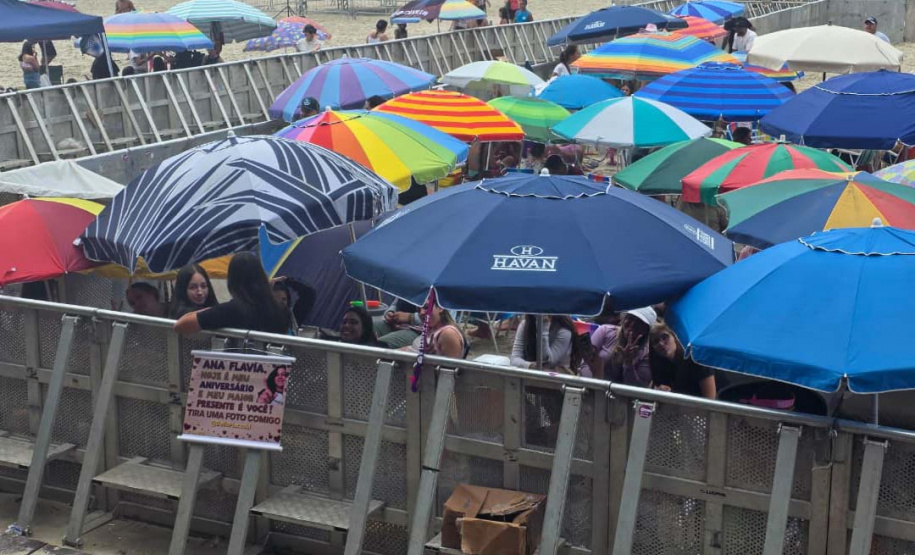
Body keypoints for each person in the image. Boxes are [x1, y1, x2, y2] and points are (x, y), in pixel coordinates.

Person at [174, 252, 291, 335]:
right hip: (277, 369)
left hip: (241, 369)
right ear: (261, 276)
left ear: (232, 281)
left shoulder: (230, 310)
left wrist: (212, 309)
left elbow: (181, 325)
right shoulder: (280, 310)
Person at [589, 307, 656, 385]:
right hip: (593, 387)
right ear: (623, 319)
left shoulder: (647, 354)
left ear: (646, 330)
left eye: (639, 322)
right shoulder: (605, 331)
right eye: (630, 318)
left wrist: (628, 363)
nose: (632, 324)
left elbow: (638, 387)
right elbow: (586, 362)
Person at [649, 324, 716, 399]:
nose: (661, 343)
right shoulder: (662, 366)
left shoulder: (696, 357)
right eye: (656, 341)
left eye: (665, 337)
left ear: (675, 337)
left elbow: (710, 399)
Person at [510, 315, 574, 371]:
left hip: (557, 378)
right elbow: (514, 359)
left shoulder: (564, 331)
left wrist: (543, 327)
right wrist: (530, 366)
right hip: (531, 375)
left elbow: (547, 362)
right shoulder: (525, 324)